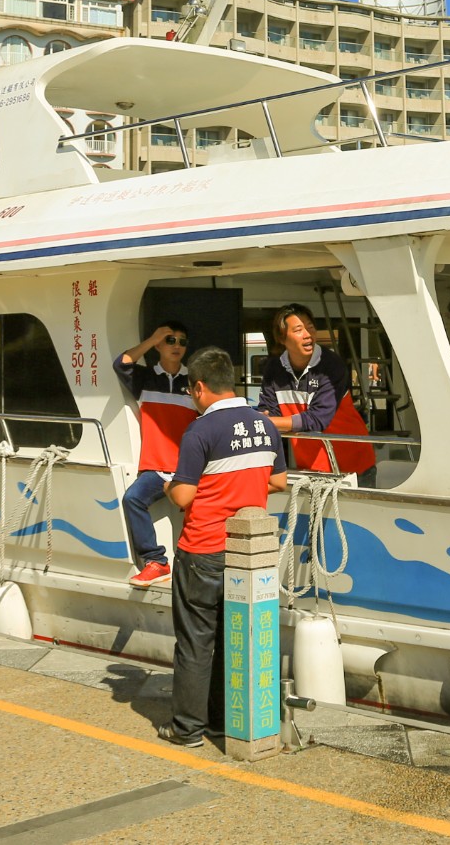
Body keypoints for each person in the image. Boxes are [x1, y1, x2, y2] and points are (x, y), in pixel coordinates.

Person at [160, 346, 285, 748]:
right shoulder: (265, 425)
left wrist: (167, 483)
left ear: (198, 387)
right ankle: (220, 721)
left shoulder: (200, 431)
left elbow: (182, 496)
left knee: (197, 642)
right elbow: (279, 482)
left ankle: (187, 729)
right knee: (233, 637)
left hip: (202, 550)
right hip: (246, 554)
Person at [113, 321, 195, 587]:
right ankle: (156, 561)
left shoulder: (194, 381)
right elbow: (121, 364)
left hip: (190, 469)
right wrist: (152, 338)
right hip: (156, 468)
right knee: (132, 499)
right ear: (159, 345)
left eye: (182, 342)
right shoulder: (145, 378)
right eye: (170, 340)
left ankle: (199, 567)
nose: (177, 346)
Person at [258, 304, 376, 478]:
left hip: (354, 466)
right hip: (309, 467)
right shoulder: (274, 369)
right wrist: (267, 420)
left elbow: (317, 419)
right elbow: (267, 411)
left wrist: (269, 423)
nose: (308, 335)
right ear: (282, 338)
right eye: (299, 330)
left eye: (311, 328)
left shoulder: (331, 366)